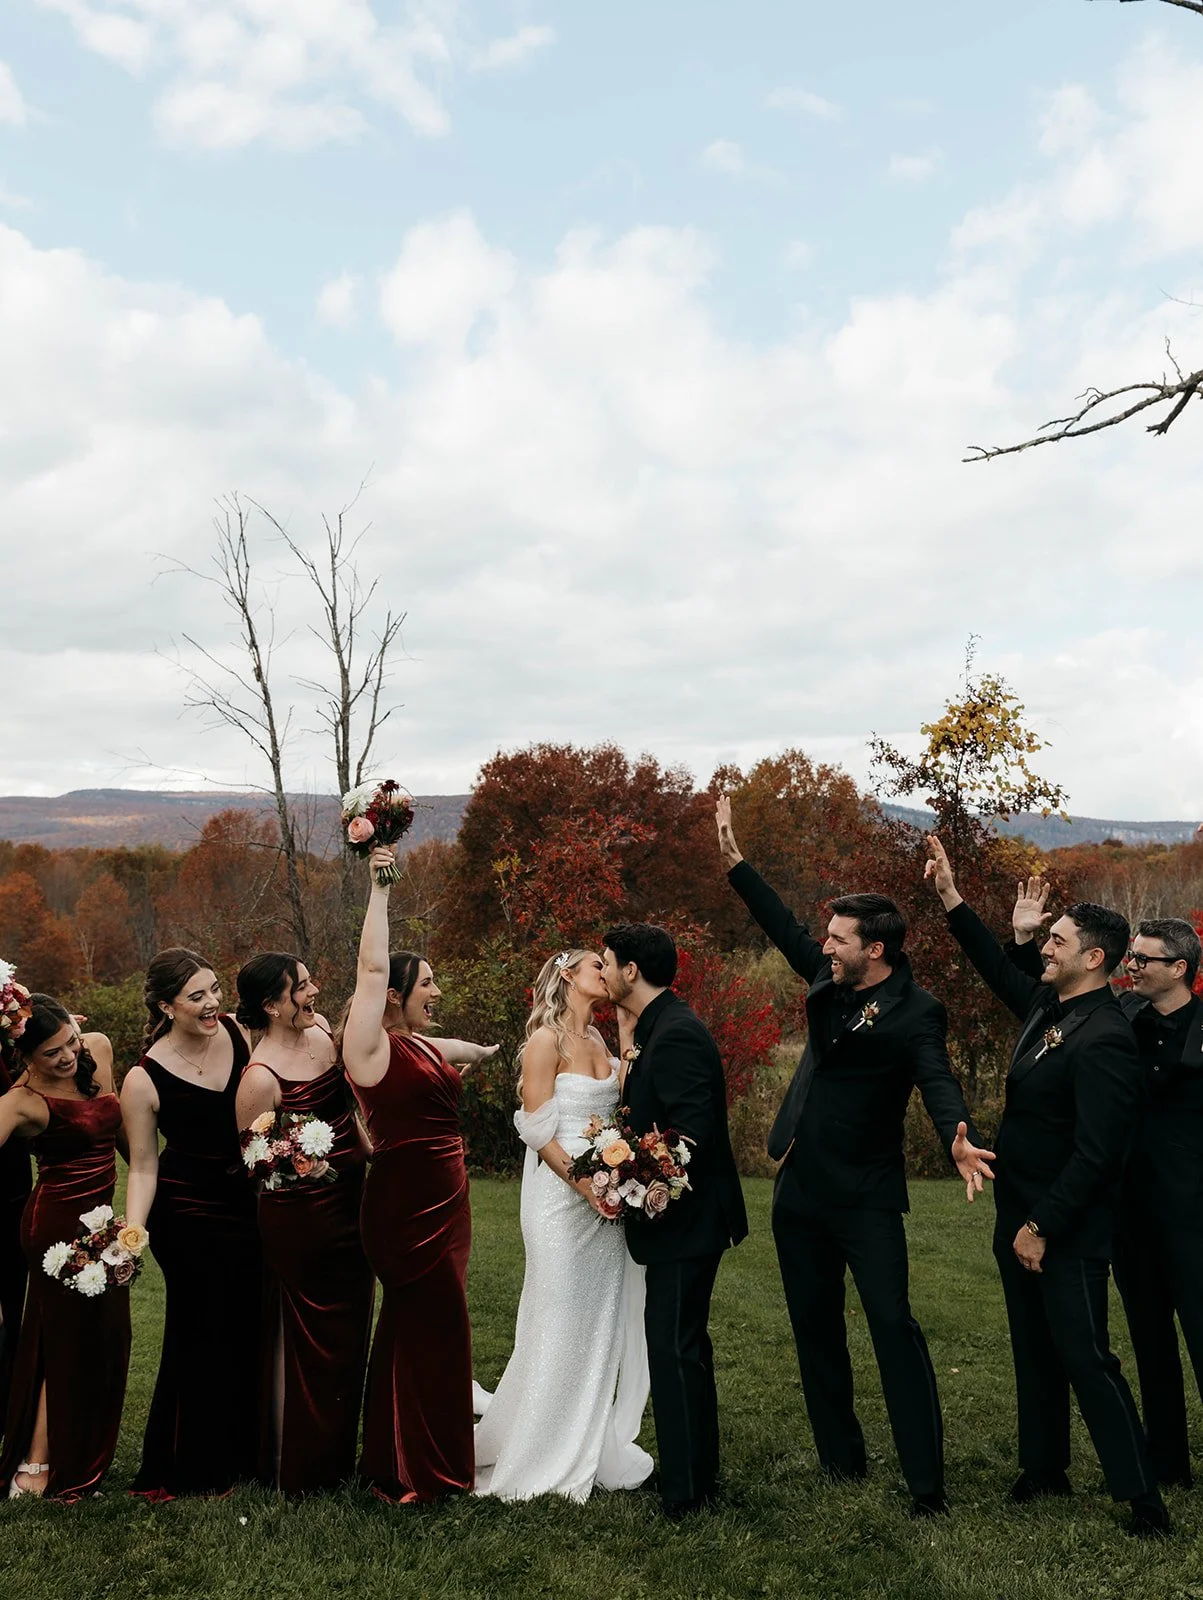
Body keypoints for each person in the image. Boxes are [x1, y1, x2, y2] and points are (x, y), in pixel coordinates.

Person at [717, 797, 993, 1515]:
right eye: (828, 936)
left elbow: (937, 1078)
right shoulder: (827, 979)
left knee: (893, 1329)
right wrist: (737, 864)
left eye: (839, 938)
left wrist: (955, 1132)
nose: (825, 945)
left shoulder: (916, 1010)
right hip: (800, 1187)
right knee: (815, 1330)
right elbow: (783, 927)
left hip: (866, 1197)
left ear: (875, 950)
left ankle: (926, 1484)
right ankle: (840, 1460)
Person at [925, 835, 1169, 1538]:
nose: (1044, 949)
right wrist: (952, 899)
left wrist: (1042, 1227)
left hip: (1066, 1226)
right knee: (1033, 1348)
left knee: (1085, 1357)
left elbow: (1099, 1154)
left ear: (1094, 959)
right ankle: (1043, 1468)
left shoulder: (1105, 1037)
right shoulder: (1049, 1009)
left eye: (1057, 941)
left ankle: (1142, 1499)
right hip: (1019, 1212)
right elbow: (997, 968)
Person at [1010, 888, 1203, 1490]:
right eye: (1131, 955)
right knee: (1150, 1341)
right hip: (1130, 1213)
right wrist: (1024, 941)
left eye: (1145, 959)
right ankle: (1167, 1463)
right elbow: (1045, 992)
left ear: (1180, 968)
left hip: (1193, 1215)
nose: (1132, 966)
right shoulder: (1121, 1018)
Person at [341, 845, 497, 1502]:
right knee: (434, 1324)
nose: (436, 992)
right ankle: (423, 1470)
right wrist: (380, 888)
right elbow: (371, 966)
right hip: (405, 1211)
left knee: (421, 1326)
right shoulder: (368, 1046)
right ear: (394, 995)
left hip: (447, 1207)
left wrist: (486, 1051)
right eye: (426, 983)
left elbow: (454, 1049)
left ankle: (396, 1455)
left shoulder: (422, 1046)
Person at [474, 949, 653, 1501]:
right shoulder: (545, 1041)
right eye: (597, 965)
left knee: (598, 1323)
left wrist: (627, 1031)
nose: (607, 971)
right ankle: (538, 1448)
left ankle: (583, 1440)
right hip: (559, 1200)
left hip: (605, 1199)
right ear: (568, 975)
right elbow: (536, 1128)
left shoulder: (598, 1039)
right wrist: (585, 1185)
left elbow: (622, 1108)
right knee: (555, 1317)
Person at [601, 921, 747, 1518]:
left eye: (608, 962)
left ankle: (687, 1492)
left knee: (675, 1347)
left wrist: (632, 1179)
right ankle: (694, 1474)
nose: (604, 971)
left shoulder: (678, 1032)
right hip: (679, 1221)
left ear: (631, 971)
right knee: (681, 1346)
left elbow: (691, 1133)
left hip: (689, 1221)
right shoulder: (653, 1026)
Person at [122, 948, 263, 1499]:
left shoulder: (237, 1032)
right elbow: (142, 1165)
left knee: (246, 1324)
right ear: (166, 1006)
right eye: (196, 996)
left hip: (245, 1202)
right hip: (185, 1213)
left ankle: (246, 1454)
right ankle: (191, 1467)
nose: (212, 1004)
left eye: (214, 991)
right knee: (200, 1331)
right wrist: (133, 1232)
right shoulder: (143, 1077)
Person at [235, 953, 375, 1495]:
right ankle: (296, 1466)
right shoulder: (259, 1077)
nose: (315, 991)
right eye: (302, 986)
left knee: (349, 1331)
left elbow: (349, 1108)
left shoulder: (322, 1033)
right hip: (302, 1220)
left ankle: (336, 1459)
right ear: (272, 1005)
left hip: (353, 1202)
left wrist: (370, 1148)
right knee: (308, 1336)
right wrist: (304, 1169)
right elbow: (258, 1166)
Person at [0, 996, 129, 1500]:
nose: (68, 1056)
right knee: (62, 1341)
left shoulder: (98, 1048)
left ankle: (84, 1448)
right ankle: (36, 1461)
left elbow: (119, 1134)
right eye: (52, 1052)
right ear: (25, 1056)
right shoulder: (20, 1100)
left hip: (104, 1224)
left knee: (104, 1336)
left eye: (69, 1041)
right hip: (54, 1227)